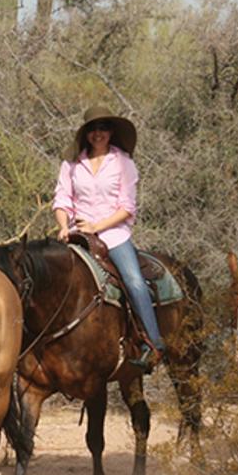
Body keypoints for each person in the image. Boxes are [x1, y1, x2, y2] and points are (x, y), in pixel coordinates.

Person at [53, 106, 165, 371]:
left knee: (135, 281)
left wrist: (97, 226)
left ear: (111, 132)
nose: (98, 133)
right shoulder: (71, 164)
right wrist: (62, 226)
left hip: (113, 235)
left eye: (103, 128)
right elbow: (61, 199)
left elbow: (127, 207)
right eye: (92, 129)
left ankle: (153, 342)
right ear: (85, 134)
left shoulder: (123, 163)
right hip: (77, 233)